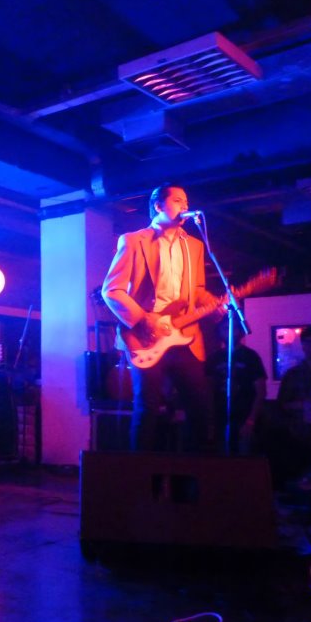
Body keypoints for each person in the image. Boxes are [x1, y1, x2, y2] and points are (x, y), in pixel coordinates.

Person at [102, 182, 223, 451]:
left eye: (186, 202)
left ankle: (196, 472)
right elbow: (111, 290)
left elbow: (197, 290)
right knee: (148, 407)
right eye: (178, 200)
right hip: (145, 336)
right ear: (158, 206)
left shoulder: (194, 245)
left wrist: (215, 303)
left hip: (184, 336)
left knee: (200, 406)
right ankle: (141, 472)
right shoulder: (133, 241)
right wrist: (143, 319)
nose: (185, 206)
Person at [205, 319, 267, 454]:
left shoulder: (250, 356)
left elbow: (261, 391)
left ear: (240, 331)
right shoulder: (214, 358)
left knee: (245, 458)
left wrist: (251, 420)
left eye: (233, 328)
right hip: (221, 418)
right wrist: (210, 421)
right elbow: (208, 390)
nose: (229, 332)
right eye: (225, 328)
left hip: (244, 417)